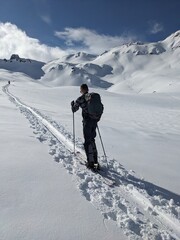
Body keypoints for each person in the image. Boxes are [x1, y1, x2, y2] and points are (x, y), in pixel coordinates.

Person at [71, 84, 100, 169]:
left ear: (82, 90)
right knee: (92, 140)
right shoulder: (92, 97)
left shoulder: (80, 99)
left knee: (87, 141)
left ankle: (90, 162)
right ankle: (96, 162)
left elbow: (74, 109)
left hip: (87, 122)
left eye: (80, 90)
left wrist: (72, 105)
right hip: (94, 121)